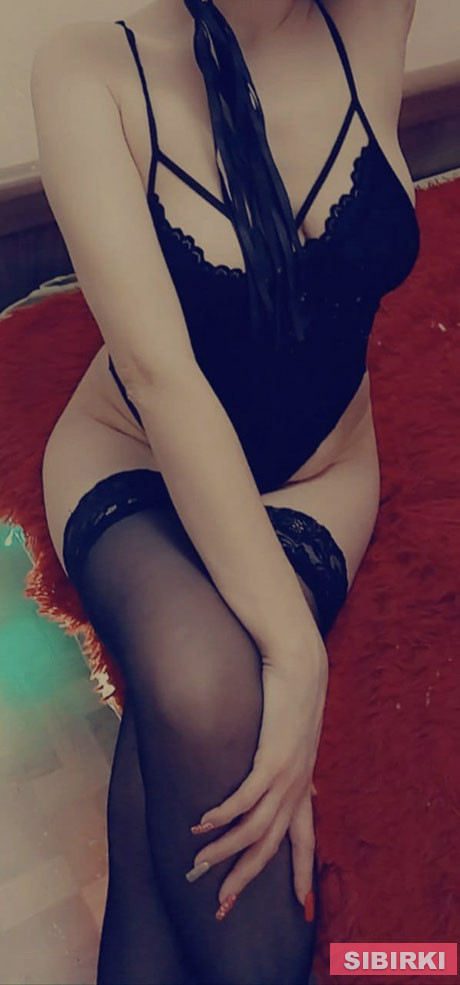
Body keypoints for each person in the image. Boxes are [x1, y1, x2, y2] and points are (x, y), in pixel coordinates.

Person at [30, 1, 419, 982]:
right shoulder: (88, 70)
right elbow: (160, 378)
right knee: (204, 688)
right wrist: (295, 653)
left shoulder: (373, 14)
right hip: (137, 459)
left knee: (162, 782)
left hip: (318, 478)